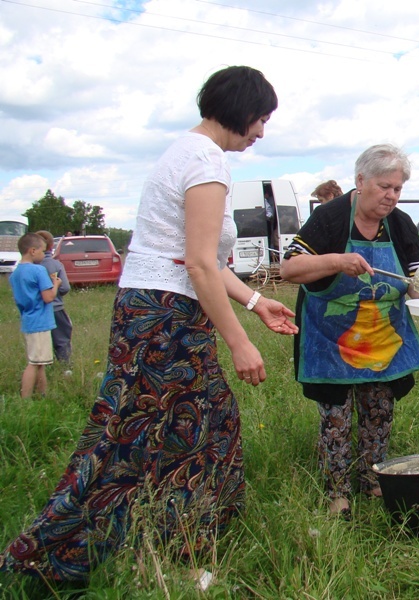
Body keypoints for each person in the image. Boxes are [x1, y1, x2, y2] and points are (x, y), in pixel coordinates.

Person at [1, 66, 298, 582]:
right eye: (261, 119)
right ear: (241, 109)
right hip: (164, 319)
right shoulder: (206, 161)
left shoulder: (187, 152)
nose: (261, 132)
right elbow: (200, 263)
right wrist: (239, 343)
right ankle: (46, 561)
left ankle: (179, 541)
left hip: (158, 308)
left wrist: (256, 302)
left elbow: (200, 261)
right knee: (127, 439)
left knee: (206, 425)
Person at [280, 144, 419, 519]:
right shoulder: (330, 218)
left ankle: (373, 479)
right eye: (384, 186)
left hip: (381, 336)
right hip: (330, 335)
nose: (391, 195)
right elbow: (290, 269)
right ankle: (337, 492)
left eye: (398, 188)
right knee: (336, 416)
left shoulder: (401, 224)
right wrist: (337, 261)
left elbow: (412, 281)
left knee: (379, 410)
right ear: (360, 181)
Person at [9, 232, 62, 398]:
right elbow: (48, 297)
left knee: (40, 362)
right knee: (34, 363)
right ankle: (25, 399)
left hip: (28, 320)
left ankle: (43, 394)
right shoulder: (39, 271)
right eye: (42, 251)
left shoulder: (15, 273)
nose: (44, 254)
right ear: (32, 251)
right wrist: (55, 284)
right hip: (40, 321)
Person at [35, 230, 73, 366]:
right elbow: (65, 288)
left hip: (36, 311)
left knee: (39, 343)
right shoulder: (56, 265)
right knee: (62, 340)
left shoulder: (31, 266)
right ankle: (65, 367)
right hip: (56, 309)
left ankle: (42, 367)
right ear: (51, 246)